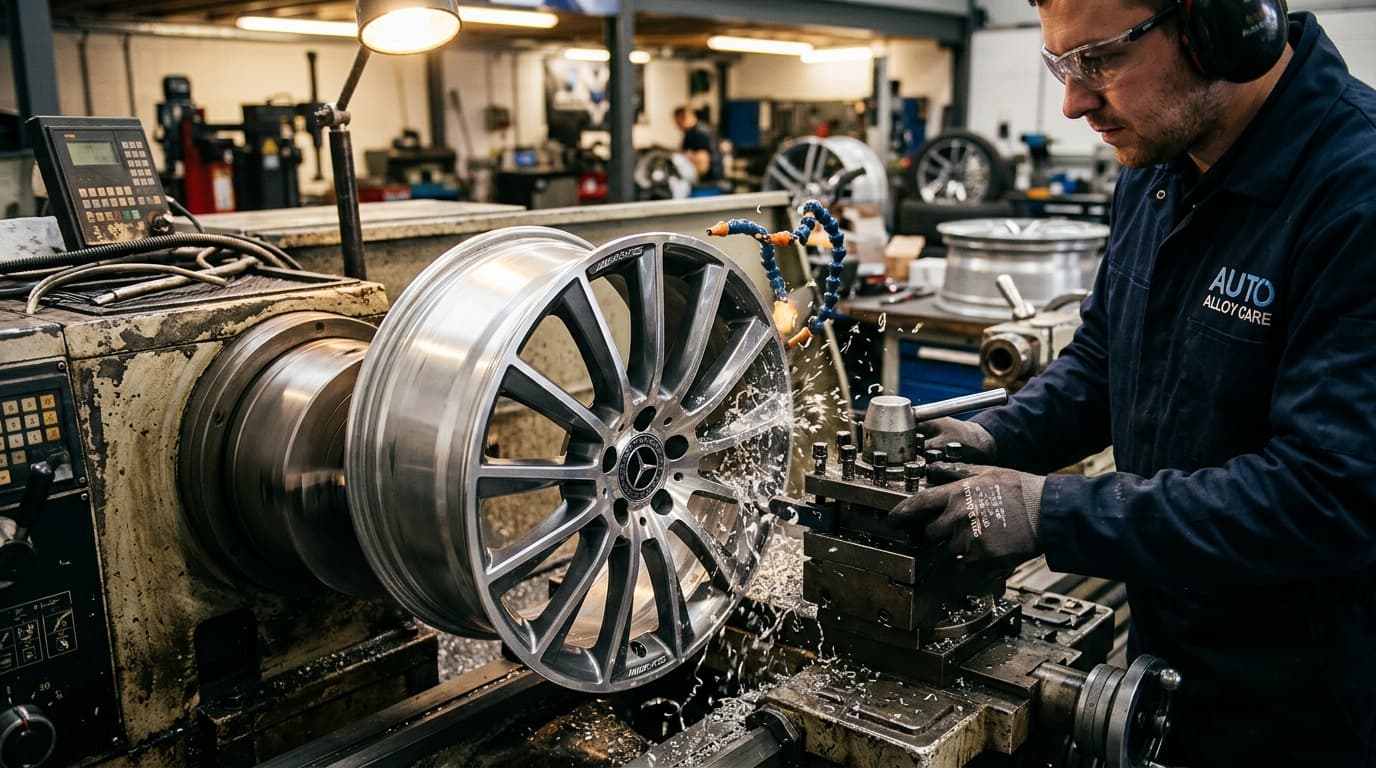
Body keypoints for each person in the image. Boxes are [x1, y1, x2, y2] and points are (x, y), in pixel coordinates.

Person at [889, 0, 1376, 764]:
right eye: (1062, 64)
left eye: (1099, 61)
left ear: (1225, 26)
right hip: (1170, 662)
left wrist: (1050, 513)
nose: (1074, 103)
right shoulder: (1157, 169)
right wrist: (994, 435)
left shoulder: (1356, 193)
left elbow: (1329, 495)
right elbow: (1104, 362)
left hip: (1310, 702)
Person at [672, 105, 723, 183]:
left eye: (678, 123)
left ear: (684, 118)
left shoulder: (701, 132)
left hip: (710, 178)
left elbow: (702, 159)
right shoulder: (689, 132)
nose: (677, 126)